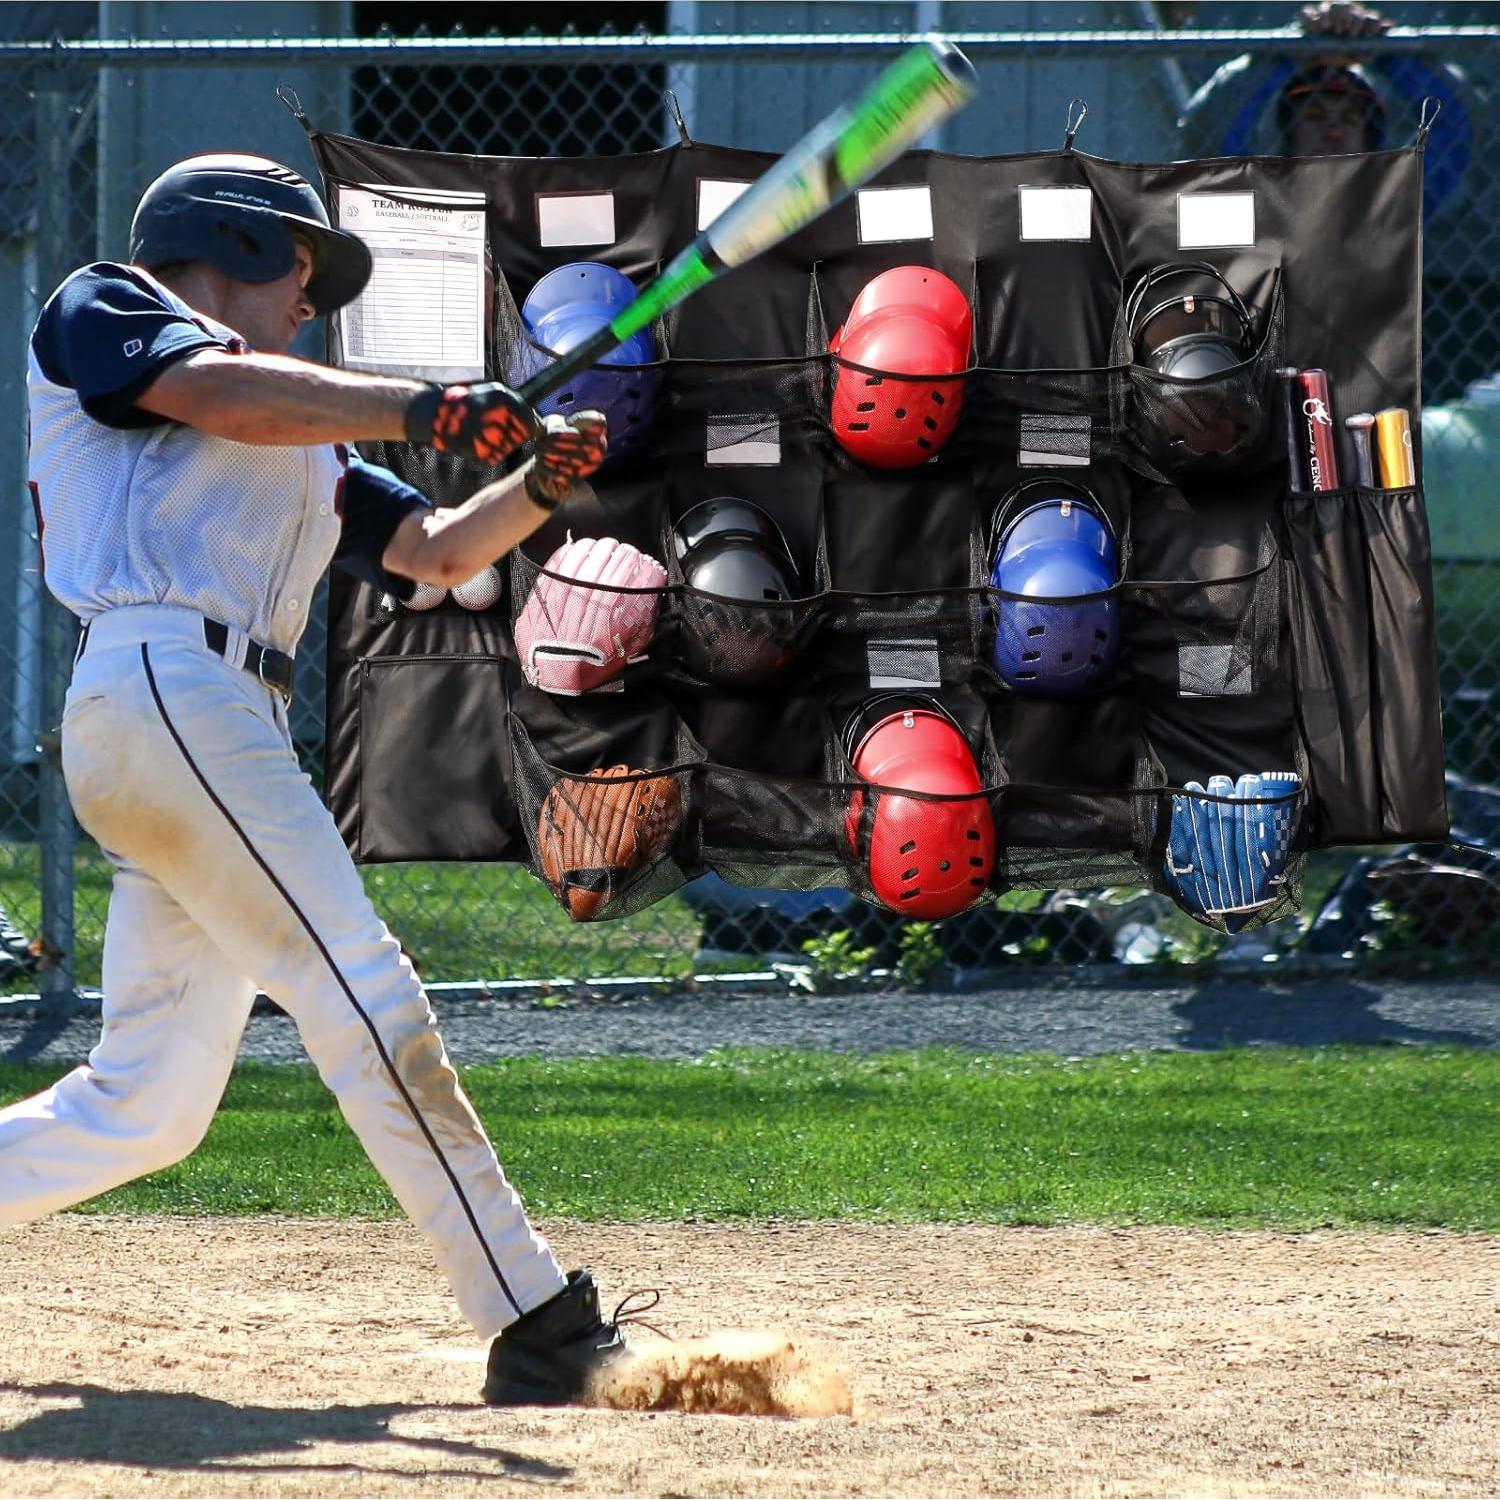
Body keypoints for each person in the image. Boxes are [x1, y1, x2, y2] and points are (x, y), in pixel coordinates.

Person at [0, 151, 634, 1408]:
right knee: (364, 992)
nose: (310, 299)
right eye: (299, 268)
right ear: (228, 244)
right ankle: (533, 1315)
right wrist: (428, 406)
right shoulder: (111, 301)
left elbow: (438, 552)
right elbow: (219, 395)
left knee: (149, 1103)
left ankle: (528, 1314)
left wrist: (537, 484)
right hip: (164, 682)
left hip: (199, 722)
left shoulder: (310, 442)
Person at [1177, 1, 1471, 220]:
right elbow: (1212, 127)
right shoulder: (1257, 205)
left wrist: (1386, 48)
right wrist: (1292, 50)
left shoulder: (1392, 208)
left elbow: (1457, 120)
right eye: (1314, 117)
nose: (1333, 131)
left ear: (1370, 140)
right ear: (1288, 136)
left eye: (1349, 119)